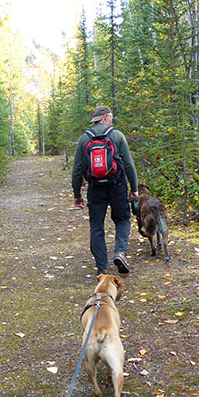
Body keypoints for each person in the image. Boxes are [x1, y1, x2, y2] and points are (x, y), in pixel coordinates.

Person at [72, 106, 139, 275]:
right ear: (105, 118)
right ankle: (120, 252)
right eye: (111, 117)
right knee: (123, 220)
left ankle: (102, 266)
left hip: (95, 188)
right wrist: (134, 188)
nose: (112, 120)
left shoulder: (84, 139)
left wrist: (77, 195)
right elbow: (129, 165)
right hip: (117, 186)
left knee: (96, 226)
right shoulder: (117, 135)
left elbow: (77, 170)